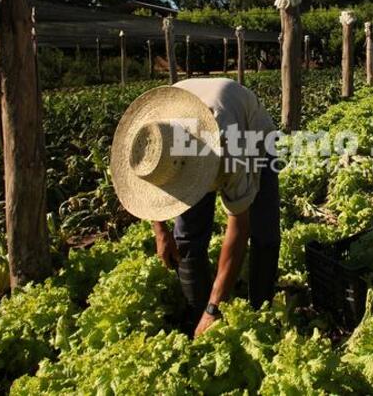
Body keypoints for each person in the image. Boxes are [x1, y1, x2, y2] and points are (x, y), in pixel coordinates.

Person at [110, 78, 280, 337]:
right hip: (191, 137)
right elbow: (154, 182)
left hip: (251, 134)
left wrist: (214, 307)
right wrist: (161, 231)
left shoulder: (230, 146)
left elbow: (239, 225)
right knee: (187, 237)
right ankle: (196, 314)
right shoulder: (152, 135)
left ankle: (259, 311)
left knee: (263, 230)